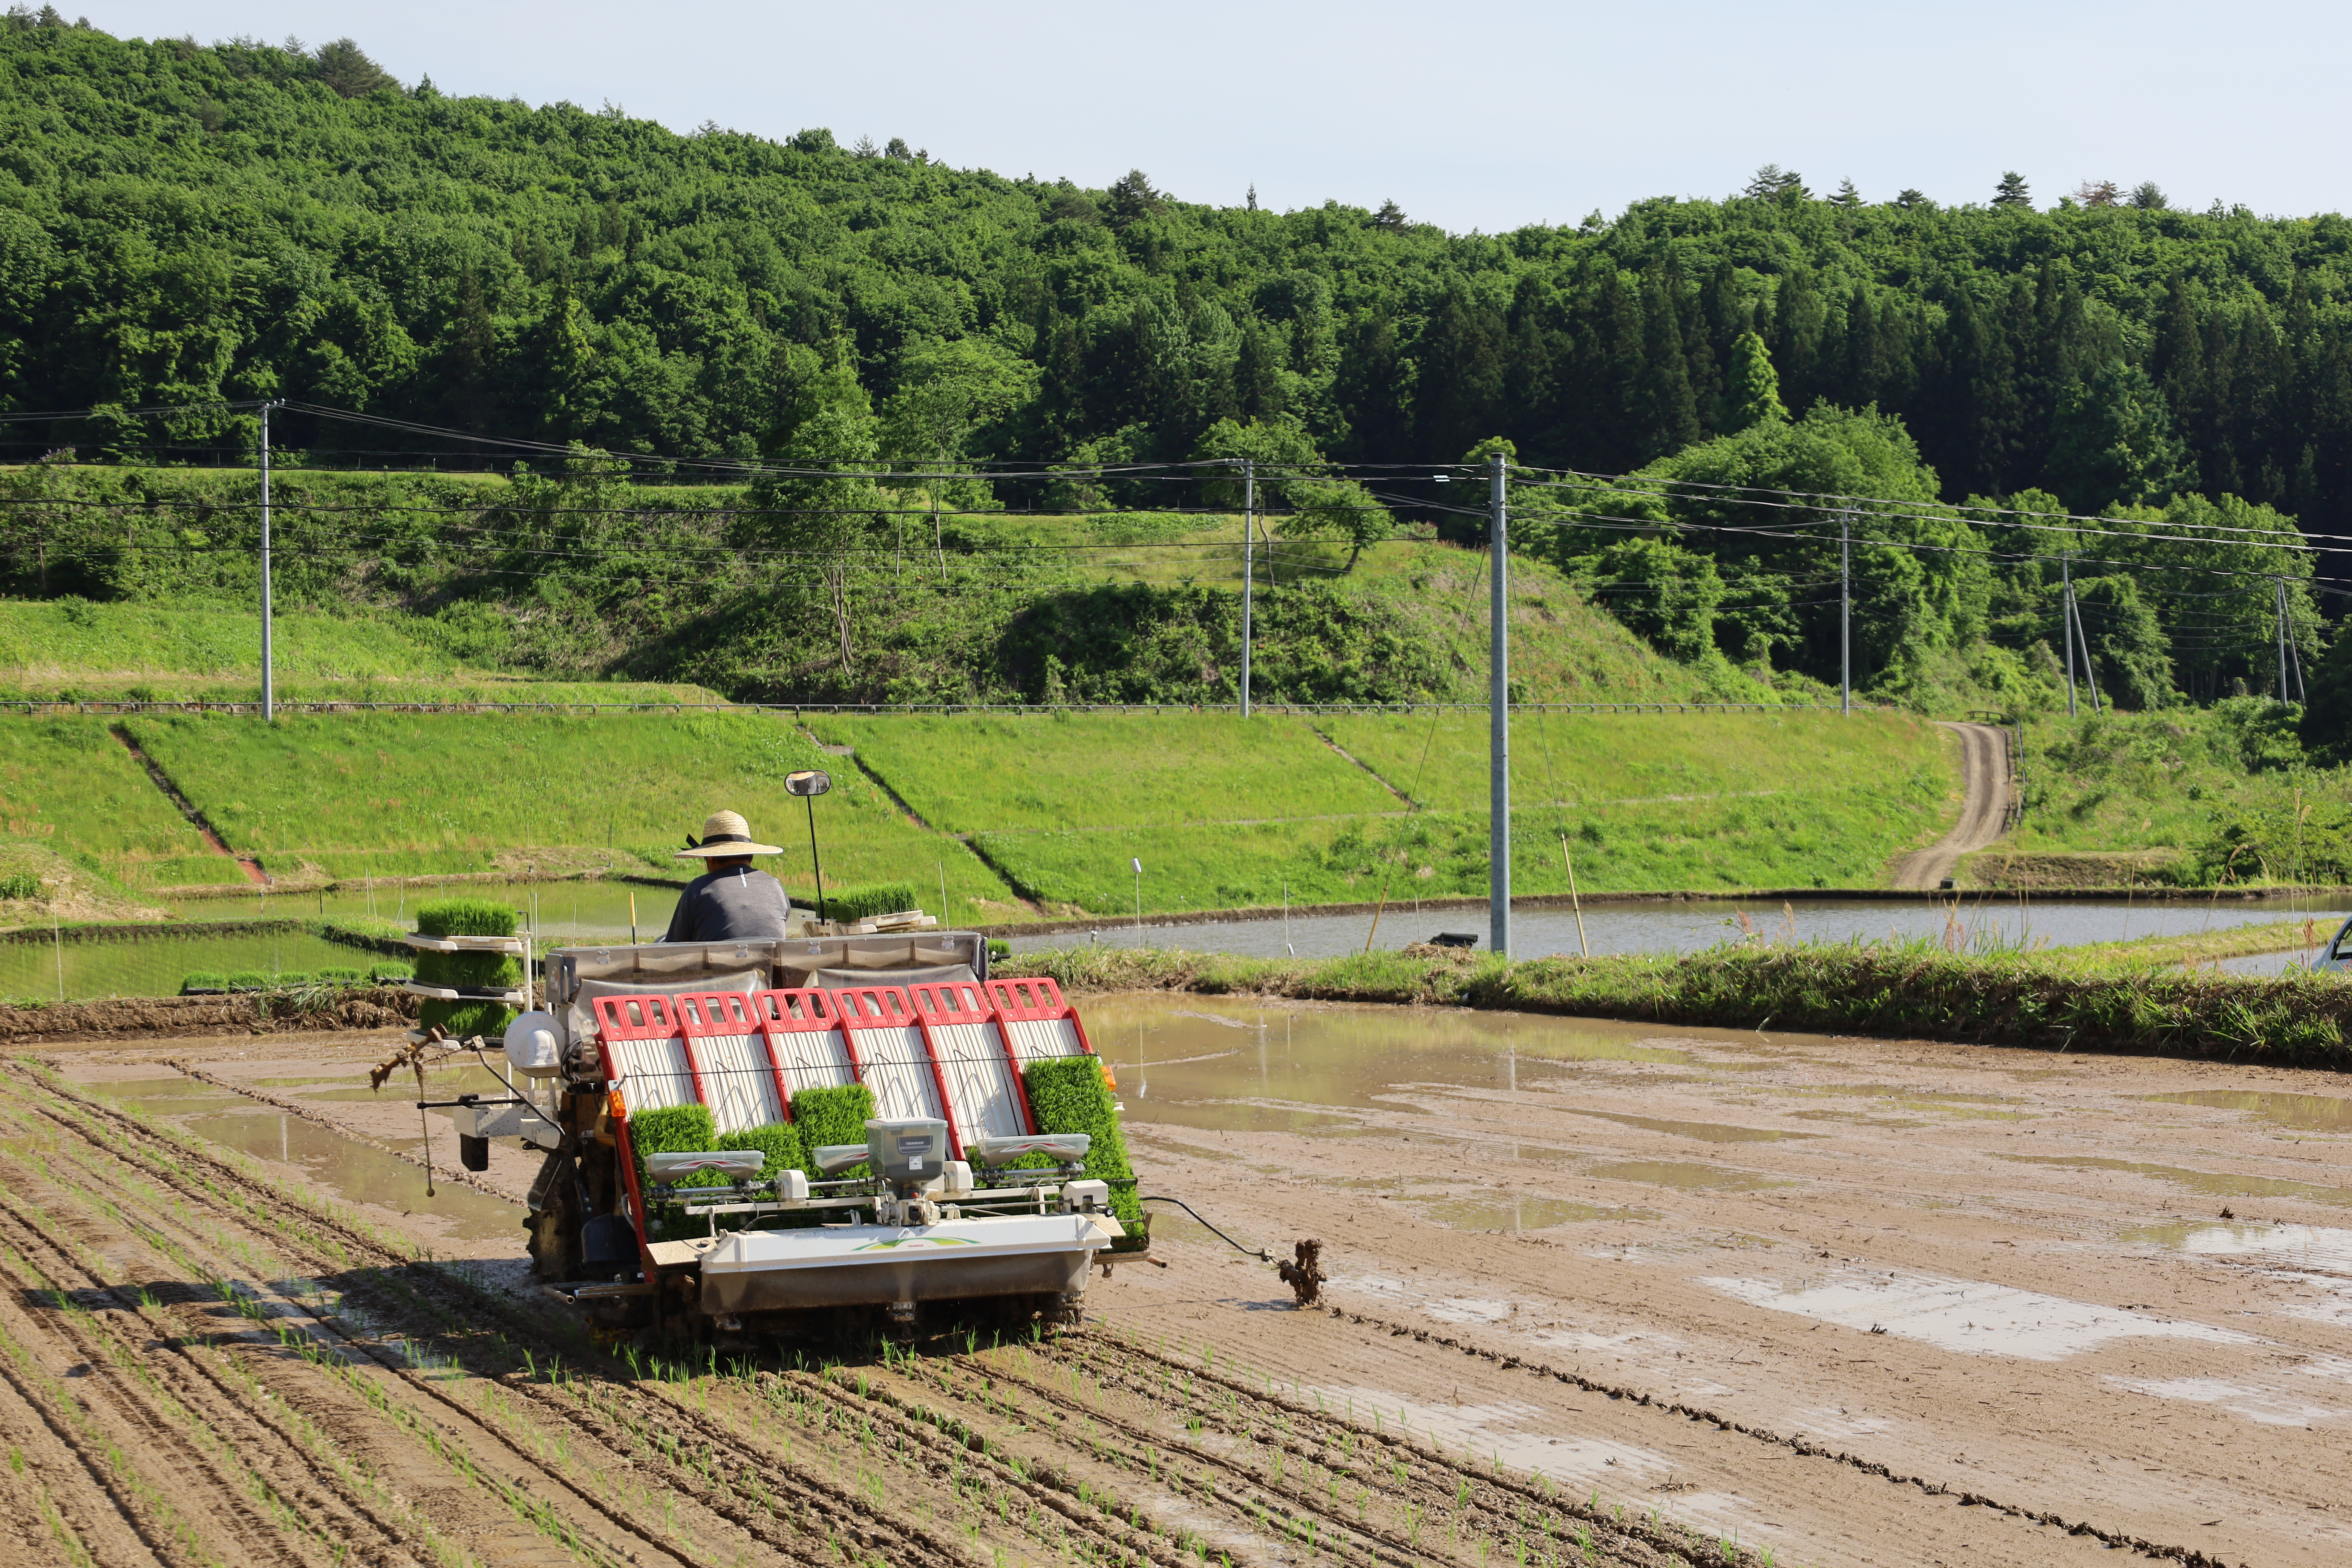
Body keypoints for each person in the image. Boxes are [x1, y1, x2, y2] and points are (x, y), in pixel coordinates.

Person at [662, 810, 795, 941]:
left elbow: (675, 946)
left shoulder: (698, 889)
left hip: (717, 963)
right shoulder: (775, 886)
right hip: (770, 962)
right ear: (751, 855)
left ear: (710, 859)